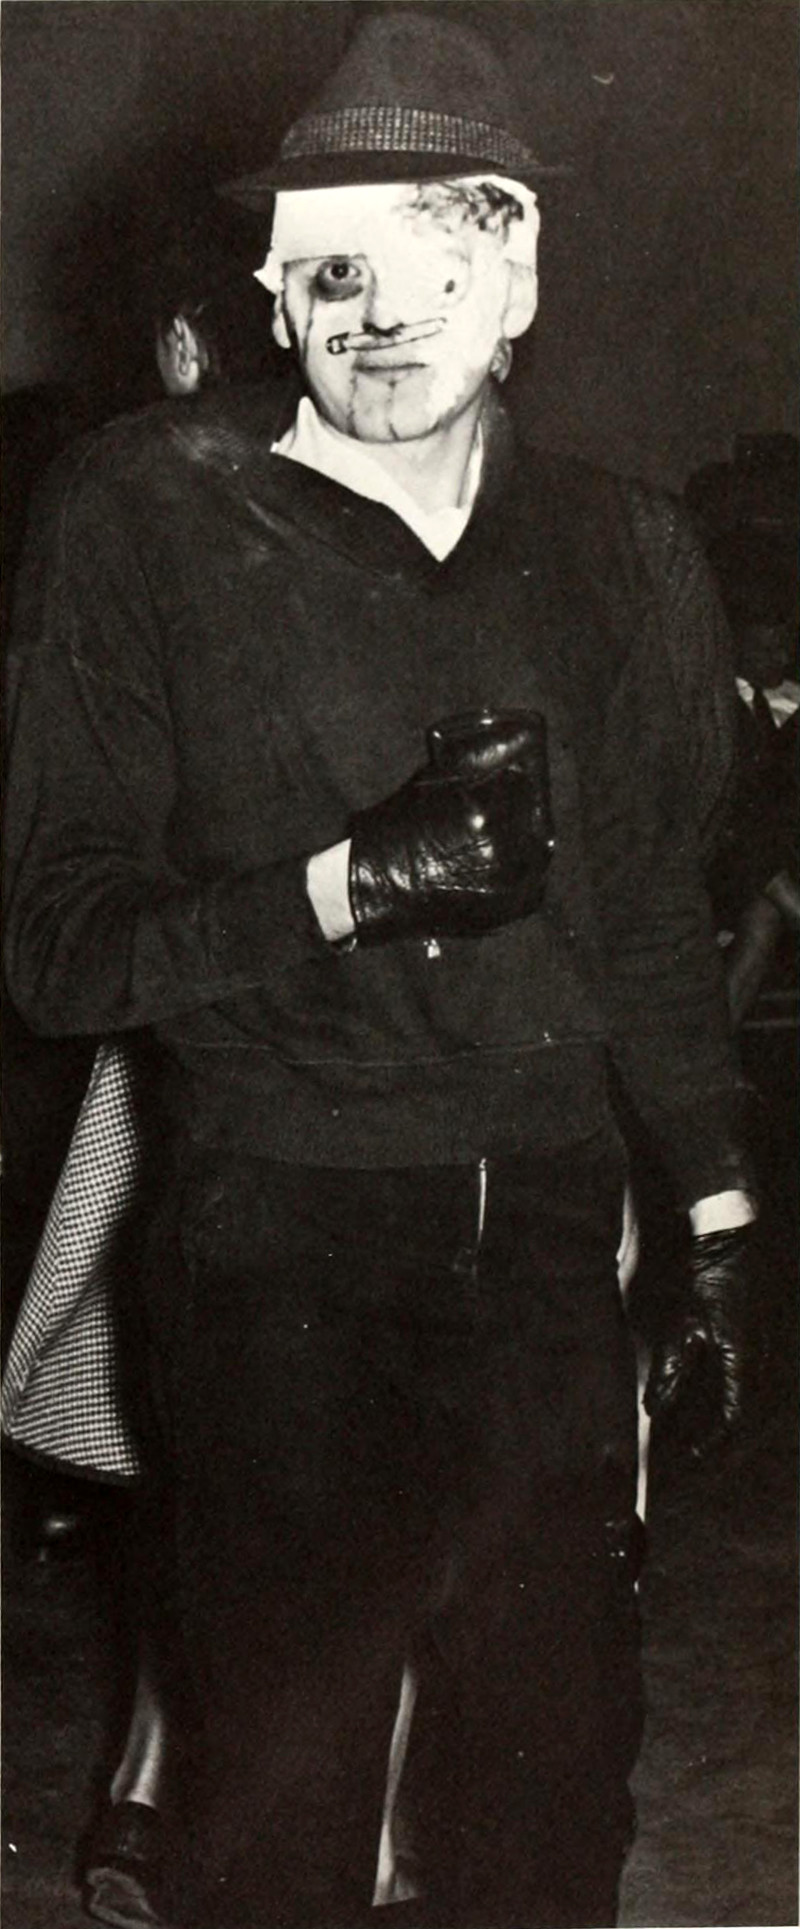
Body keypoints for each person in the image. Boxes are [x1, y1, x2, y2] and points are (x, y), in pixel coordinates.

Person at [4, 13, 761, 1929]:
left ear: (521, 274)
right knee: (275, 1817)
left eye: (434, 252)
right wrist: (347, 884)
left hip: (550, 1249)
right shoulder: (144, 515)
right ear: (272, 294)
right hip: (278, 1249)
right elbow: (60, 947)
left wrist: (716, 1213)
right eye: (330, 268)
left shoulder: (621, 550)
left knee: (548, 1798)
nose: (379, 313)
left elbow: (650, 913)